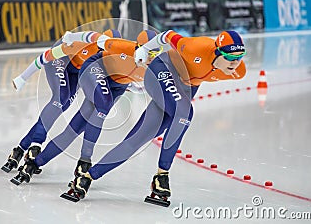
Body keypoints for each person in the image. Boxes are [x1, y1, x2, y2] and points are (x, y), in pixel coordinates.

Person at [69, 30, 247, 205]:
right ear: (217, 52)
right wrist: (145, 49)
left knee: (138, 139)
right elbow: (167, 35)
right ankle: (162, 175)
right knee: (184, 113)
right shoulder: (195, 47)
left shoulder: (239, 71)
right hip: (162, 69)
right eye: (230, 57)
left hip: (183, 87)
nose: (235, 63)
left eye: (240, 57)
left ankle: (88, 177)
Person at [10, 30, 159, 186]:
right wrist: (71, 37)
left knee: (74, 129)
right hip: (94, 69)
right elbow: (93, 37)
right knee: (95, 104)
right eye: (151, 53)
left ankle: (34, 164)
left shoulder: (154, 66)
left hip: (116, 86)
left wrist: (139, 87)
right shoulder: (120, 46)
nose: (152, 58)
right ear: (139, 47)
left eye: (157, 53)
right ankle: (85, 160)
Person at [1, 29, 121, 173]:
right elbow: (46, 57)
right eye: (107, 50)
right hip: (59, 62)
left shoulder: (113, 58)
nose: (108, 56)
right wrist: (22, 78)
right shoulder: (82, 44)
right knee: (60, 99)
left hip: (76, 72)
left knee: (64, 105)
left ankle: (21, 148)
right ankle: (36, 143)